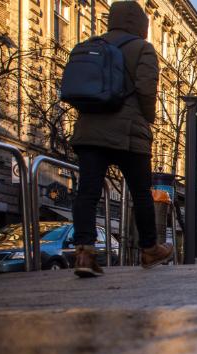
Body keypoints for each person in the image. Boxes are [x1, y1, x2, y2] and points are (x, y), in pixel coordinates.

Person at [69, 1, 172, 277]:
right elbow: (147, 89)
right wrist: (147, 117)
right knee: (141, 193)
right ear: (141, 25)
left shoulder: (90, 44)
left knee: (87, 192)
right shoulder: (143, 48)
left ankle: (84, 252)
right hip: (129, 132)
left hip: (90, 130)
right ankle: (149, 249)